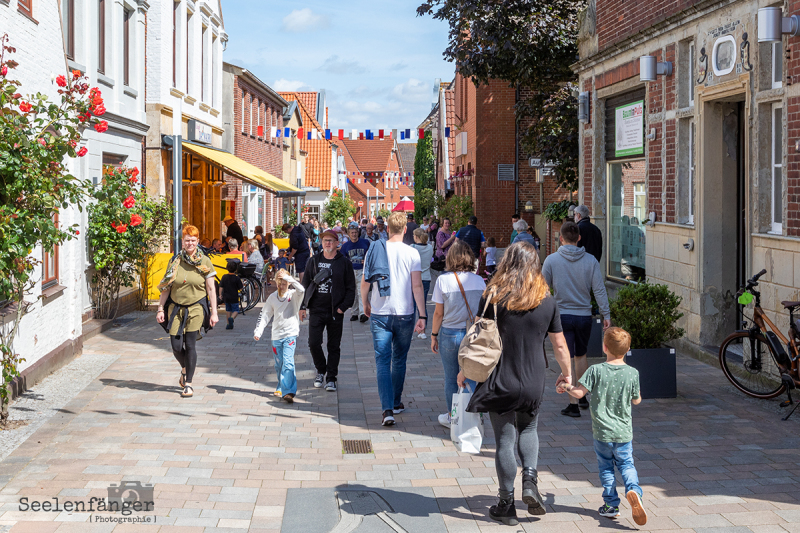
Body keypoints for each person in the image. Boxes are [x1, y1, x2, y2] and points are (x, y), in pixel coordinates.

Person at [459, 242, 573, 525]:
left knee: (504, 441)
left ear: (507, 262)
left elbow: (476, 335)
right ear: (535, 265)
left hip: (500, 377)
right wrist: (567, 374)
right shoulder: (546, 299)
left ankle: (506, 504)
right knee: (530, 428)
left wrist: (464, 370)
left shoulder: (493, 297)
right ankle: (531, 482)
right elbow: (559, 345)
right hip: (534, 377)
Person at [557, 327, 646, 526]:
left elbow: (579, 394)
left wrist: (565, 386)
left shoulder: (595, 371)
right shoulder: (633, 373)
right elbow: (637, 400)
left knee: (606, 468)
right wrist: (637, 394)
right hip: (623, 432)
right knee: (627, 464)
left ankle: (611, 505)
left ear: (604, 347)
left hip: (602, 433)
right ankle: (634, 490)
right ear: (628, 349)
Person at [362, 211, 426, 426]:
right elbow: (417, 286)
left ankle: (387, 409)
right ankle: (396, 401)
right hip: (405, 313)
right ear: (405, 229)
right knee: (399, 359)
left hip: (380, 313)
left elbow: (365, 281)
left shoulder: (375, 248)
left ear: (387, 228)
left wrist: (365, 302)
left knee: (382, 360)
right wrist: (423, 314)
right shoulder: (412, 253)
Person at [542, 221, 611, 419]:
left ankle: (572, 404)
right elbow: (599, 289)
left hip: (561, 315)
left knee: (566, 358)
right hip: (584, 316)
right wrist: (606, 314)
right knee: (581, 356)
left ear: (560, 239)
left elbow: (542, 289)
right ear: (579, 238)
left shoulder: (551, 260)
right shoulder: (590, 261)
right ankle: (582, 396)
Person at [156, 225, 219, 398]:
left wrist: (214, 312)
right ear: (182, 242)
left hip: (196, 307)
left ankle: (188, 384)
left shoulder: (204, 261)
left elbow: (211, 289)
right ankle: (185, 369)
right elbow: (166, 287)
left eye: (193, 240)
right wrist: (160, 308)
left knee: (190, 345)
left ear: (197, 241)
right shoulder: (175, 261)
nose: (190, 243)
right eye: (187, 240)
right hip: (175, 307)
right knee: (176, 346)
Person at [431, 241, 484, 428]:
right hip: (474, 334)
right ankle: (471, 414)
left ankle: (452, 416)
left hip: (450, 333)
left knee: (451, 376)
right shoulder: (479, 281)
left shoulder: (443, 281)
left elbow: (438, 313)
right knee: (471, 376)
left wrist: (433, 334)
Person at [300, 230, 356, 392]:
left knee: (333, 346)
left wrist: (342, 307)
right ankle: (321, 370)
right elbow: (305, 284)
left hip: (334, 311)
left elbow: (350, 288)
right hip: (316, 309)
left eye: (331, 240)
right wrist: (302, 306)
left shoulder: (344, 263)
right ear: (321, 242)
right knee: (313, 343)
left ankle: (331, 378)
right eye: (325, 240)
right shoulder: (314, 261)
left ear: (338, 243)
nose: (328, 243)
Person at [254, 269, 305, 403]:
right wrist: (258, 331)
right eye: (279, 283)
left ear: (288, 283)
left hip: (290, 334)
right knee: (279, 364)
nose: (281, 286)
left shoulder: (294, 295)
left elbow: (302, 290)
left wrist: (291, 279)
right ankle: (281, 385)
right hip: (276, 335)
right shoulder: (272, 297)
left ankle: (288, 391)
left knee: (288, 362)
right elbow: (265, 315)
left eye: (284, 283)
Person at [341, 222, 371, 323]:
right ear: (349, 234)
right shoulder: (346, 246)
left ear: (358, 233)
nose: (354, 234)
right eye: (352, 233)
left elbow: (370, 254)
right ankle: (354, 312)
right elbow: (342, 259)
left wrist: (366, 260)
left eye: (355, 232)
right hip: (351, 271)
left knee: (361, 291)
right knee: (353, 292)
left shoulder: (365, 242)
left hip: (362, 270)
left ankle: (363, 313)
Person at [411, 228, 434, 339]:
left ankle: (411, 329)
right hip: (426, 278)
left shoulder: (412, 248)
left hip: (415, 279)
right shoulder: (430, 247)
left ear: (416, 236)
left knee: (412, 305)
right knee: (423, 305)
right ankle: (423, 330)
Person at [219, 260, 243, 330]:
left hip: (226, 297)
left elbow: (221, 286)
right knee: (236, 310)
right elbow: (240, 288)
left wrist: (220, 294)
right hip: (234, 297)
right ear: (236, 269)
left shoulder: (224, 277)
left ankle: (228, 324)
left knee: (228, 310)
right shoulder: (237, 278)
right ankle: (231, 319)